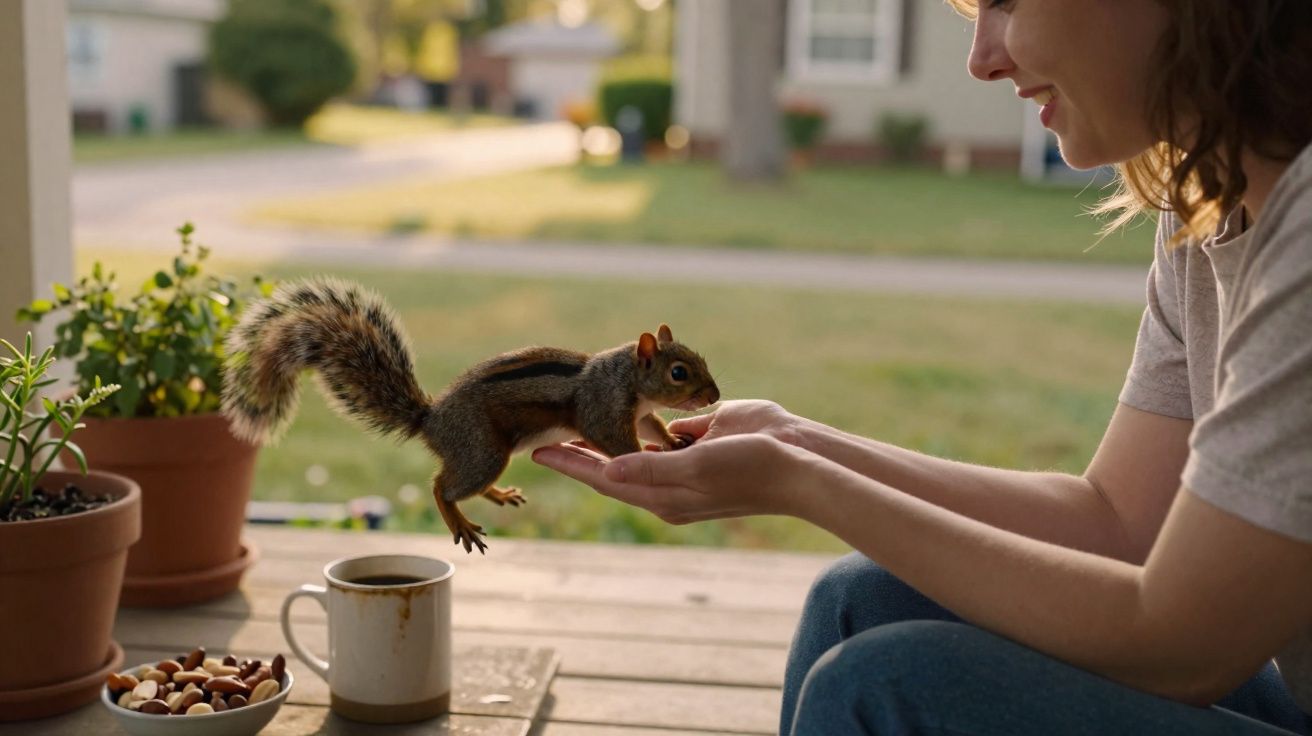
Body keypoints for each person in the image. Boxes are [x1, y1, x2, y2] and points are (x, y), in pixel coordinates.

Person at [533, 1, 1312, 734]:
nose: (980, 61)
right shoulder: (1206, 211)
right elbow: (1116, 524)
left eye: (1006, 2)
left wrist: (797, 483)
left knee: (881, 685)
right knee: (860, 599)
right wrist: (800, 443)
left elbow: (1180, 645)